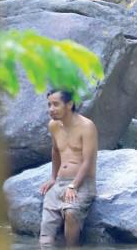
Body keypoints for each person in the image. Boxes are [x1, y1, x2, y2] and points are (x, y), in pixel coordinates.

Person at [38, 89, 98, 247]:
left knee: (70, 213)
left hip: (82, 183)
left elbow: (87, 161)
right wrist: (53, 178)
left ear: (70, 104)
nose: (51, 109)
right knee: (45, 235)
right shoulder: (53, 125)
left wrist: (73, 186)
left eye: (55, 104)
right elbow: (56, 150)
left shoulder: (87, 126)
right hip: (59, 182)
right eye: (49, 104)